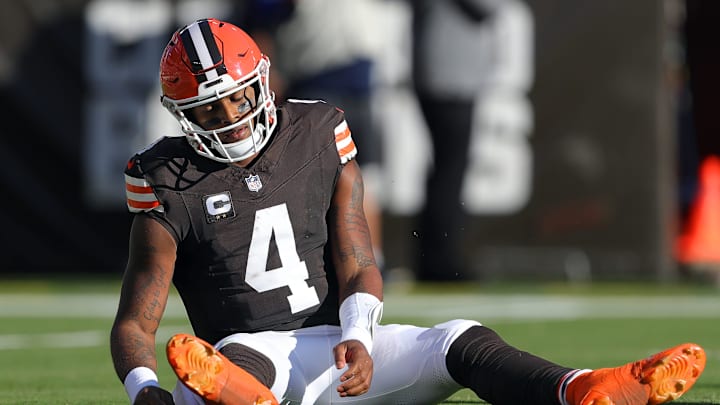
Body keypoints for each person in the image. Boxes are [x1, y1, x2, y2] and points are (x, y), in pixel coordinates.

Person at [110, 18, 706, 405]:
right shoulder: (163, 176)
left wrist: (359, 336)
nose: (231, 117)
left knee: (459, 339)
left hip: (340, 353)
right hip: (249, 355)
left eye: (236, 98)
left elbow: (358, 258)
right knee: (216, 369)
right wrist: (145, 392)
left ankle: (581, 390)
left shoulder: (319, 128)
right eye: (209, 110)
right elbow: (137, 321)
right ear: (182, 114)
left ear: (262, 82)